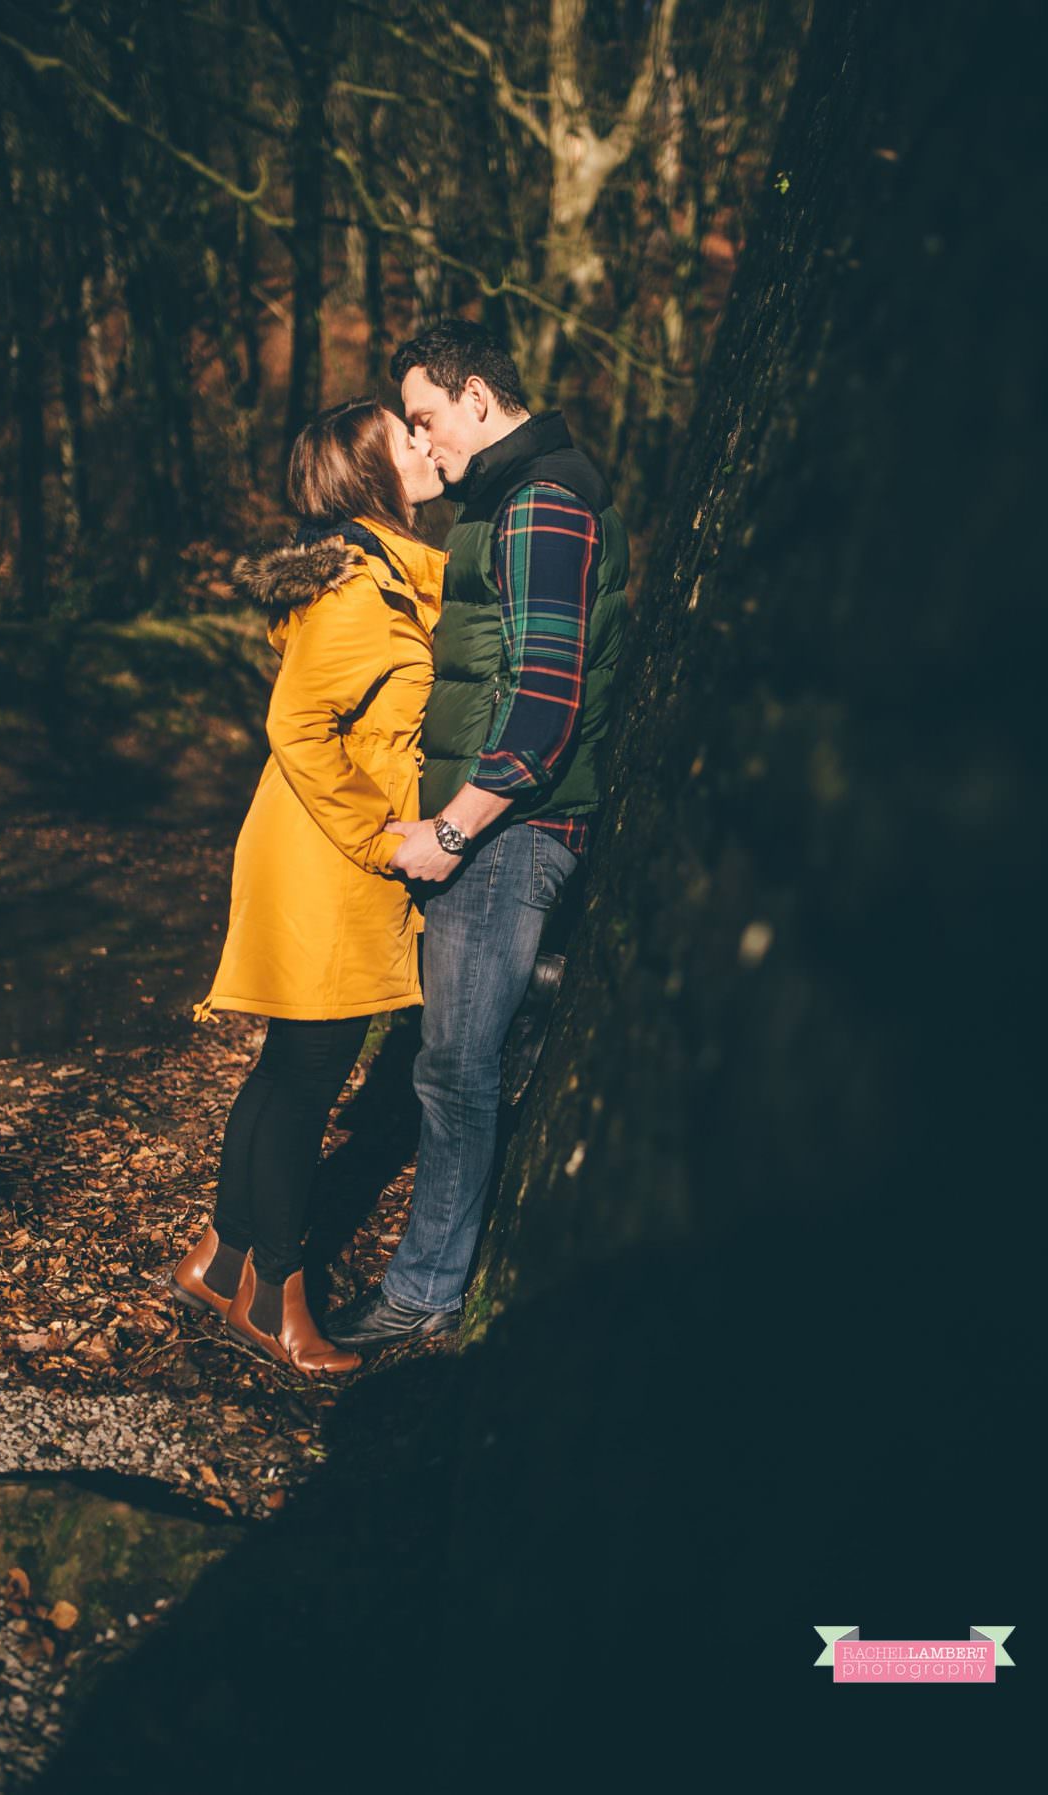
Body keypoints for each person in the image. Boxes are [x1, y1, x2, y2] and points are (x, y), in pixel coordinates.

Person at [328, 320, 630, 1351]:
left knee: (452, 1067)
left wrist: (451, 835)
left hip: (507, 835)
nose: (422, 443)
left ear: (477, 399)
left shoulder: (541, 501)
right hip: (504, 832)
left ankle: (424, 1291)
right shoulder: (510, 499)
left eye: (425, 417)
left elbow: (542, 708)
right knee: (458, 1060)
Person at [170, 398, 446, 1376]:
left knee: (290, 1067)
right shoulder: (358, 591)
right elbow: (298, 725)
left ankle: (220, 1257)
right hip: (329, 854)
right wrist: (382, 838)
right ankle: (275, 1299)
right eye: (402, 436)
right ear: (371, 470)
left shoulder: (381, 574)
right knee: (310, 1077)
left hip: (315, 844)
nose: (424, 444)